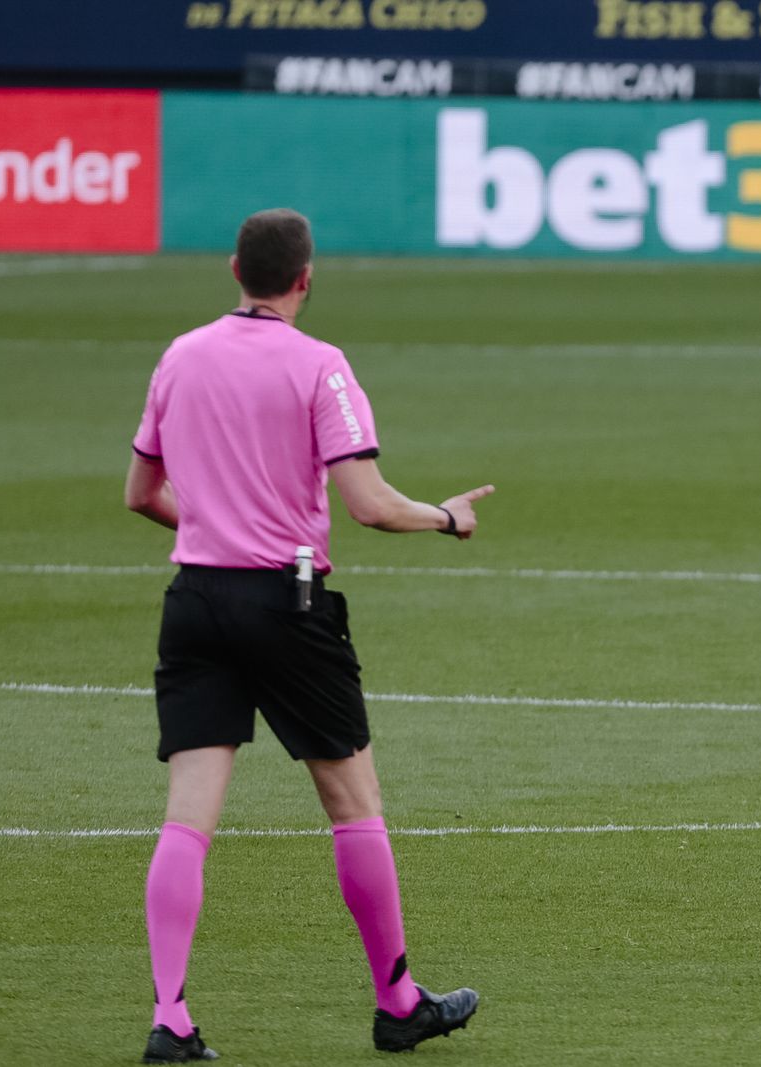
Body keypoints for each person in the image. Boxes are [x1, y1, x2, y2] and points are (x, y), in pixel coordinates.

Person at [125, 207, 493, 1061]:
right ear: (305, 277)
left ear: (232, 270)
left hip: (196, 600)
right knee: (353, 805)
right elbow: (367, 504)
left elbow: (141, 492)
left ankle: (171, 1018)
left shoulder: (181, 355)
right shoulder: (321, 365)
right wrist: (446, 517)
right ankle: (397, 1001)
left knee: (187, 820)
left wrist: (212, 525)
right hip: (286, 604)